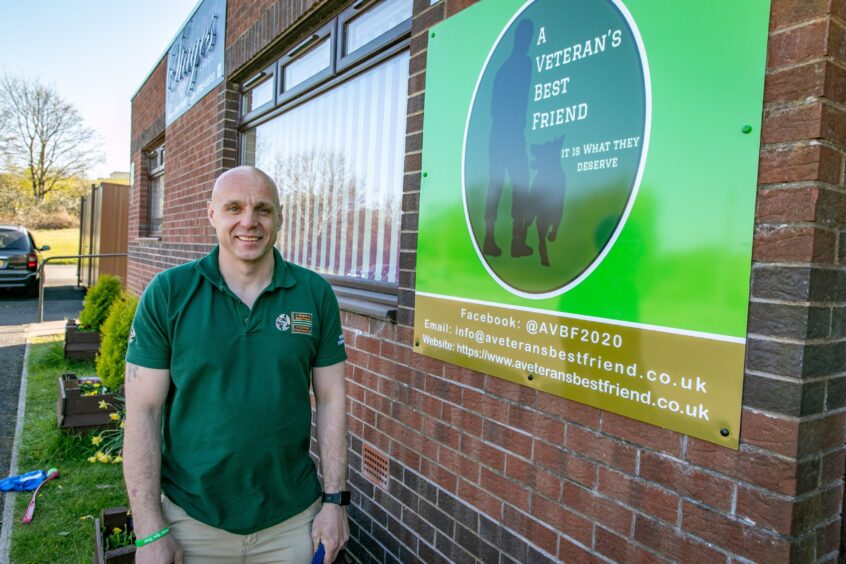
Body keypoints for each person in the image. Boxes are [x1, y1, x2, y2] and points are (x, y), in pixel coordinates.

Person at [123, 166, 349, 563]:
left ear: (279, 216)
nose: (249, 221)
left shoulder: (314, 294)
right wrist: (148, 528)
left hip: (292, 519)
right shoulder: (169, 294)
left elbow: (331, 398)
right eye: (234, 208)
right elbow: (143, 410)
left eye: (262, 209)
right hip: (192, 520)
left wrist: (335, 501)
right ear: (212, 214)